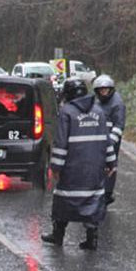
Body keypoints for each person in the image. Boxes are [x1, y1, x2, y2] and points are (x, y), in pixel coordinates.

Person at [41, 77, 116, 250]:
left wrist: (55, 168)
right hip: (94, 168)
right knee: (93, 200)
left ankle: (58, 235)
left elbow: (61, 144)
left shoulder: (67, 112)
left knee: (63, 199)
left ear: (67, 94)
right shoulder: (98, 111)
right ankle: (92, 239)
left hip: (72, 168)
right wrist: (111, 163)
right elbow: (107, 140)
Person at [92, 74, 125, 205]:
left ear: (111, 89)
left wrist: (109, 143)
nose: (104, 92)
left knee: (109, 167)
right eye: (101, 90)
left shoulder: (117, 104)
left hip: (111, 142)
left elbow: (119, 125)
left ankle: (107, 193)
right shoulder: (97, 102)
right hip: (97, 140)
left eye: (106, 90)